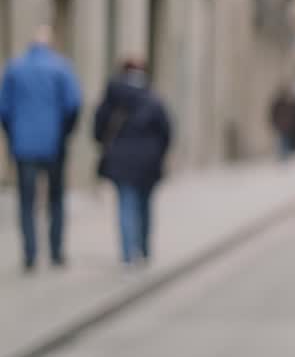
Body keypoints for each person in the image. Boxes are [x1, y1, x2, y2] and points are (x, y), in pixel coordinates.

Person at [0, 24, 81, 272]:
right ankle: (56, 252)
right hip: (54, 144)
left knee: (26, 201)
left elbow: (4, 108)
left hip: (23, 145)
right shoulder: (61, 68)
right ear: (50, 44)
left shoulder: (15, 68)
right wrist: (64, 133)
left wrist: (13, 134)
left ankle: (30, 255)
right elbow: (73, 104)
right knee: (55, 199)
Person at [93, 58, 171, 266]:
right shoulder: (153, 99)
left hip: (121, 161)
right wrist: (158, 154)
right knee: (144, 206)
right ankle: (143, 250)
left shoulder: (113, 99)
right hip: (148, 162)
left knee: (126, 205)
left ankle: (128, 255)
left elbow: (98, 128)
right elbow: (166, 132)